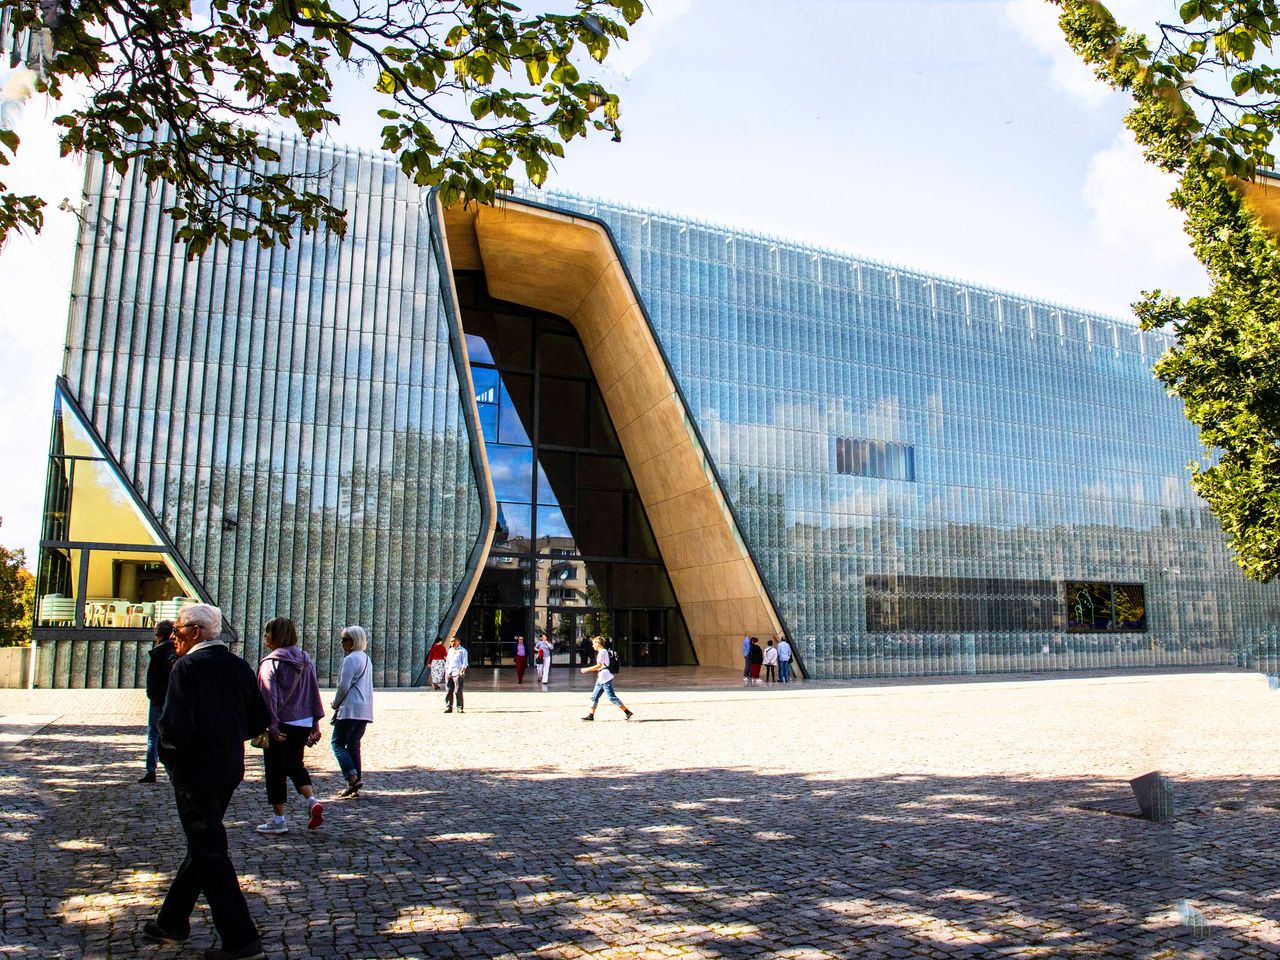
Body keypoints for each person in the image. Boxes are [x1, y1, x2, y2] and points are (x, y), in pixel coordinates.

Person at [141, 602, 270, 960]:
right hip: (228, 769)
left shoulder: (187, 667)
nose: (173, 638)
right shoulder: (238, 665)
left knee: (210, 851)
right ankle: (171, 921)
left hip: (194, 773)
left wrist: (169, 756)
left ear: (195, 632)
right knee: (204, 844)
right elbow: (258, 717)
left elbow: (173, 727)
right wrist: (227, 739)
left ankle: (242, 940)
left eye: (178, 631)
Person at [255, 617, 325, 834]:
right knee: (295, 764)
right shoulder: (305, 658)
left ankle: (279, 820)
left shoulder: (270, 662)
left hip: (282, 723)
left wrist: (271, 725)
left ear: (276, 636)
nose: (265, 637)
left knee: (275, 769)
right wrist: (315, 722)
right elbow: (313, 689)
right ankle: (312, 800)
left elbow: (268, 696)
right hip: (303, 721)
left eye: (267, 633)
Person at [331, 625, 373, 799]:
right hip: (364, 710)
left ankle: (352, 778)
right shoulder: (366, 658)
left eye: (345, 640)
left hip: (350, 708)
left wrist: (335, 703)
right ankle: (355, 784)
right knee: (354, 745)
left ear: (353, 641)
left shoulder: (350, 659)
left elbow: (344, 686)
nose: (342, 643)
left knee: (338, 744)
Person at [140, 619, 177, 784]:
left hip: (158, 700)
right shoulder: (178, 651)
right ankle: (172, 771)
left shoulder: (158, 652)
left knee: (153, 736)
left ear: (160, 635)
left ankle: (151, 771)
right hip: (172, 699)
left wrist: (152, 696)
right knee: (172, 736)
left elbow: (152, 679)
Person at [581, 636, 633, 722]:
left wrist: (587, 670)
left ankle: (627, 712)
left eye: (594, 643)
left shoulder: (602, 652)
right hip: (601, 678)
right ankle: (591, 715)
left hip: (605, 679)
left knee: (612, 697)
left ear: (598, 643)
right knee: (594, 696)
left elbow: (600, 665)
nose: (592, 645)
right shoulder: (602, 652)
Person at [443, 636, 468, 713]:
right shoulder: (450, 650)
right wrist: (446, 670)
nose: (451, 643)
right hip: (449, 672)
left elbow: (465, 663)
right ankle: (448, 707)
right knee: (448, 690)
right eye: (450, 641)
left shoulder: (463, 651)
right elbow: (447, 661)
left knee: (458, 691)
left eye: (453, 641)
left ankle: (459, 707)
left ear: (458, 642)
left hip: (457, 673)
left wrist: (462, 671)